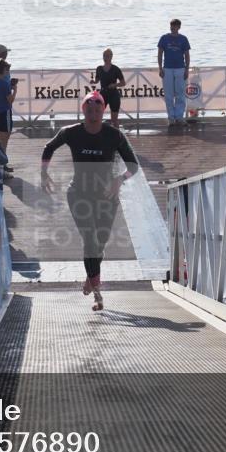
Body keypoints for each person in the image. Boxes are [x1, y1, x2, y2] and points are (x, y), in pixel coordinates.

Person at [41, 91, 139, 312]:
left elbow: (133, 165)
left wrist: (119, 180)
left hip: (107, 196)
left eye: (97, 110)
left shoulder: (115, 136)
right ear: (83, 110)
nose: (93, 114)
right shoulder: (70, 132)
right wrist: (43, 174)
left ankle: (90, 276)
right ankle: (98, 294)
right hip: (79, 194)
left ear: (103, 110)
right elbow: (48, 147)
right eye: (89, 110)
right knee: (90, 240)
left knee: (100, 243)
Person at [157, 19, 191, 126]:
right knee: (168, 94)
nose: (173, 28)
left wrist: (187, 69)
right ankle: (171, 117)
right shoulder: (164, 38)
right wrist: (160, 68)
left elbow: (187, 55)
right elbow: (160, 53)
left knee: (180, 94)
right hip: (167, 68)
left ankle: (179, 117)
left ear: (179, 27)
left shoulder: (183, 39)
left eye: (175, 26)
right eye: (172, 26)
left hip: (180, 68)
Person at [94, 48, 126, 126]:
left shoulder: (115, 69)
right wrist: (94, 82)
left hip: (113, 94)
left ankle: (117, 136)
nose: (105, 58)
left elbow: (123, 83)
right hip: (103, 94)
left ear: (111, 57)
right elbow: (97, 80)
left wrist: (115, 85)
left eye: (107, 56)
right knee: (97, 116)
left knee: (114, 120)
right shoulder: (99, 68)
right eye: (104, 56)